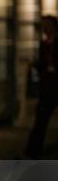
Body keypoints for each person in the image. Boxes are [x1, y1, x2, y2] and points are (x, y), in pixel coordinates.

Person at [24, 15, 58, 159]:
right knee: (40, 120)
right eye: (43, 25)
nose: (44, 28)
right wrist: (34, 64)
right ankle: (32, 151)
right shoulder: (43, 44)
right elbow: (42, 65)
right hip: (47, 87)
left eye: (47, 25)